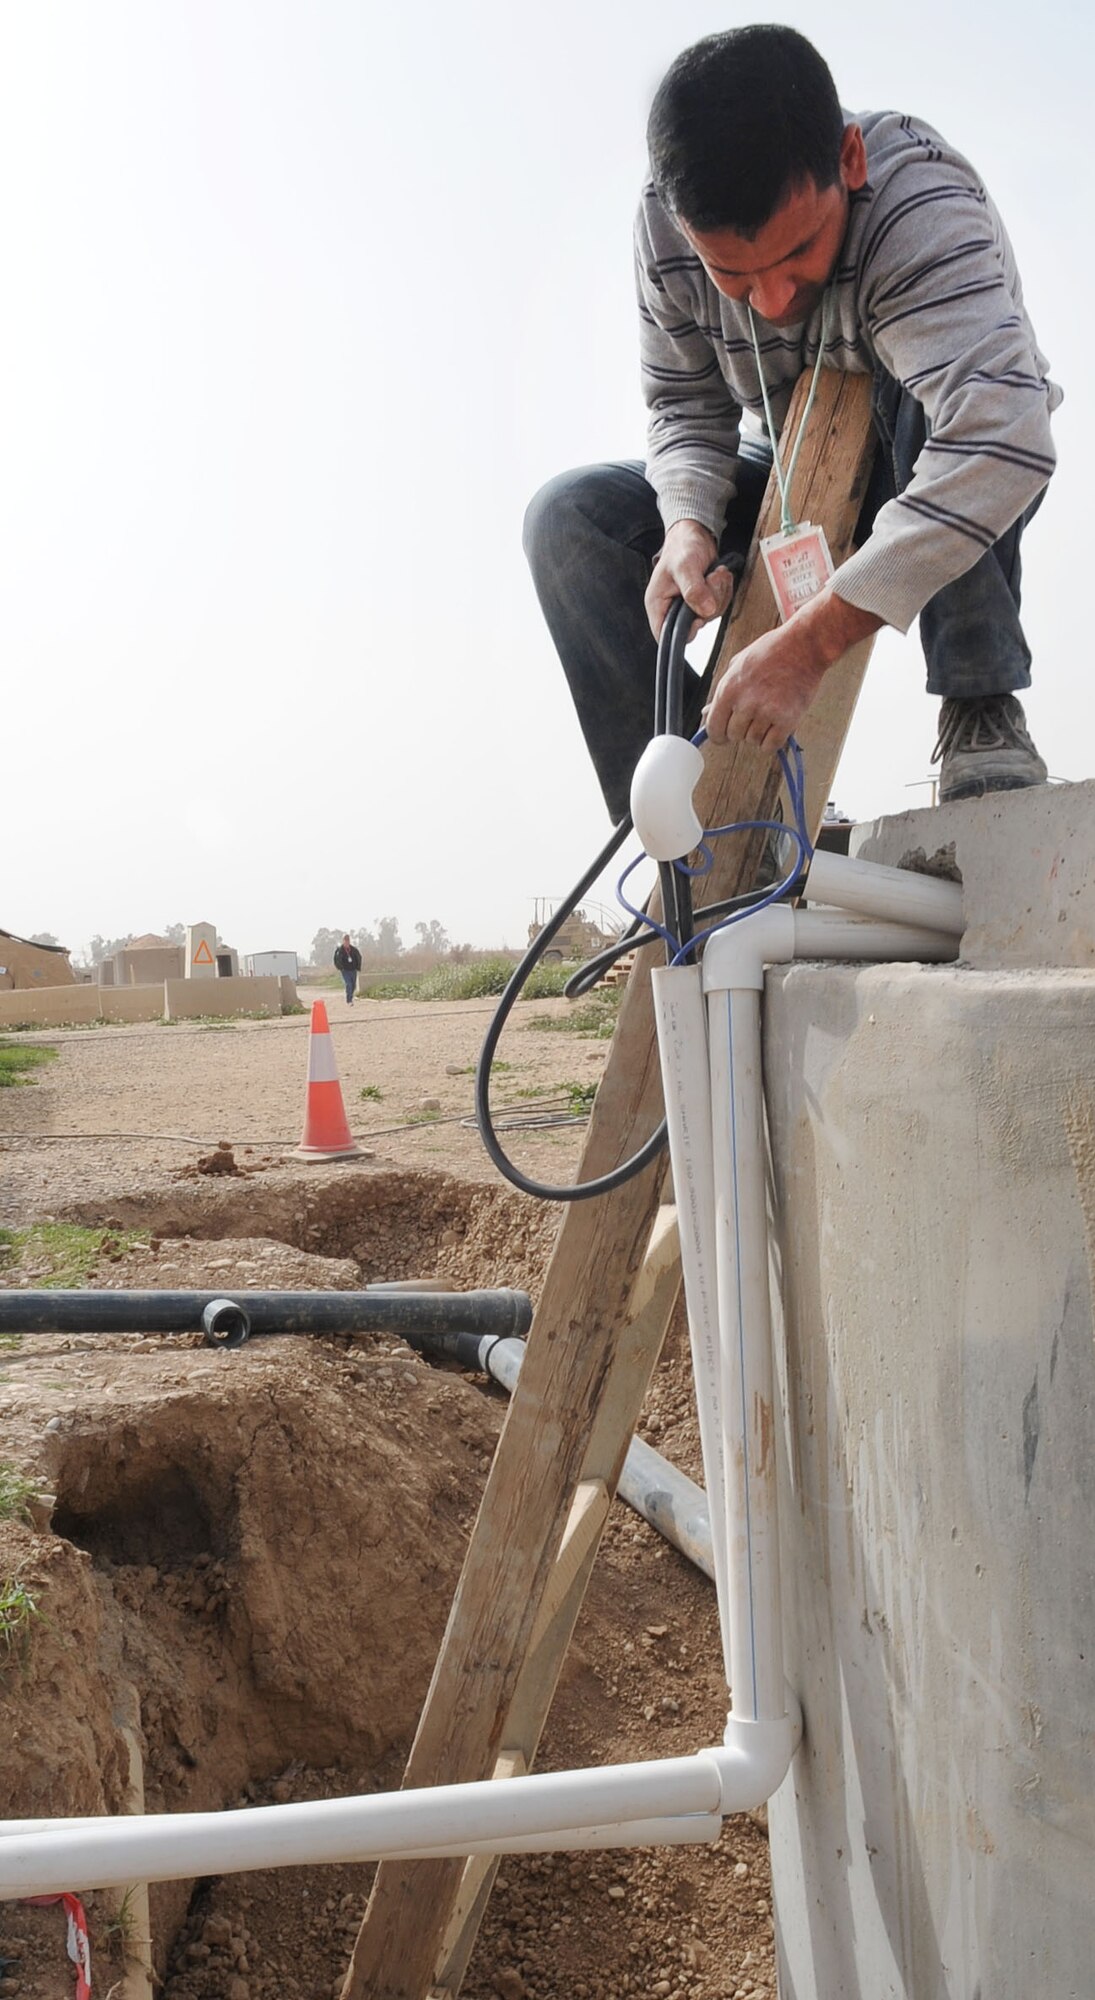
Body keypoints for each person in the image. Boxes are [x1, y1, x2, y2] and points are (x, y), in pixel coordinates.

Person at [524, 25, 1059, 822]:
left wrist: (808, 645)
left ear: (847, 160)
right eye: (734, 276)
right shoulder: (666, 224)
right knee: (569, 520)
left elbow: (1002, 433)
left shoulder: (920, 200)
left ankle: (979, 709)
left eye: (798, 252)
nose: (772, 302)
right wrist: (686, 525)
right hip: (777, 460)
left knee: (939, 414)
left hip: (911, 442)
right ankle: (697, 810)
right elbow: (683, 405)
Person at [333, 933, 362, 1005]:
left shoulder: (354, 949)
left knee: (353, 985)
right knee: (348, 984)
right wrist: (339, 967)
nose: (346, 942)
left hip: (353, 970)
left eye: (348, 940)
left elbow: (359, 957)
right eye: (345, 940)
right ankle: (349, 1000)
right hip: (345, 970)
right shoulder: (340, 950)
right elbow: (336, 959)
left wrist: (358, 967)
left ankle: (351, 996)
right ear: (343, 941)